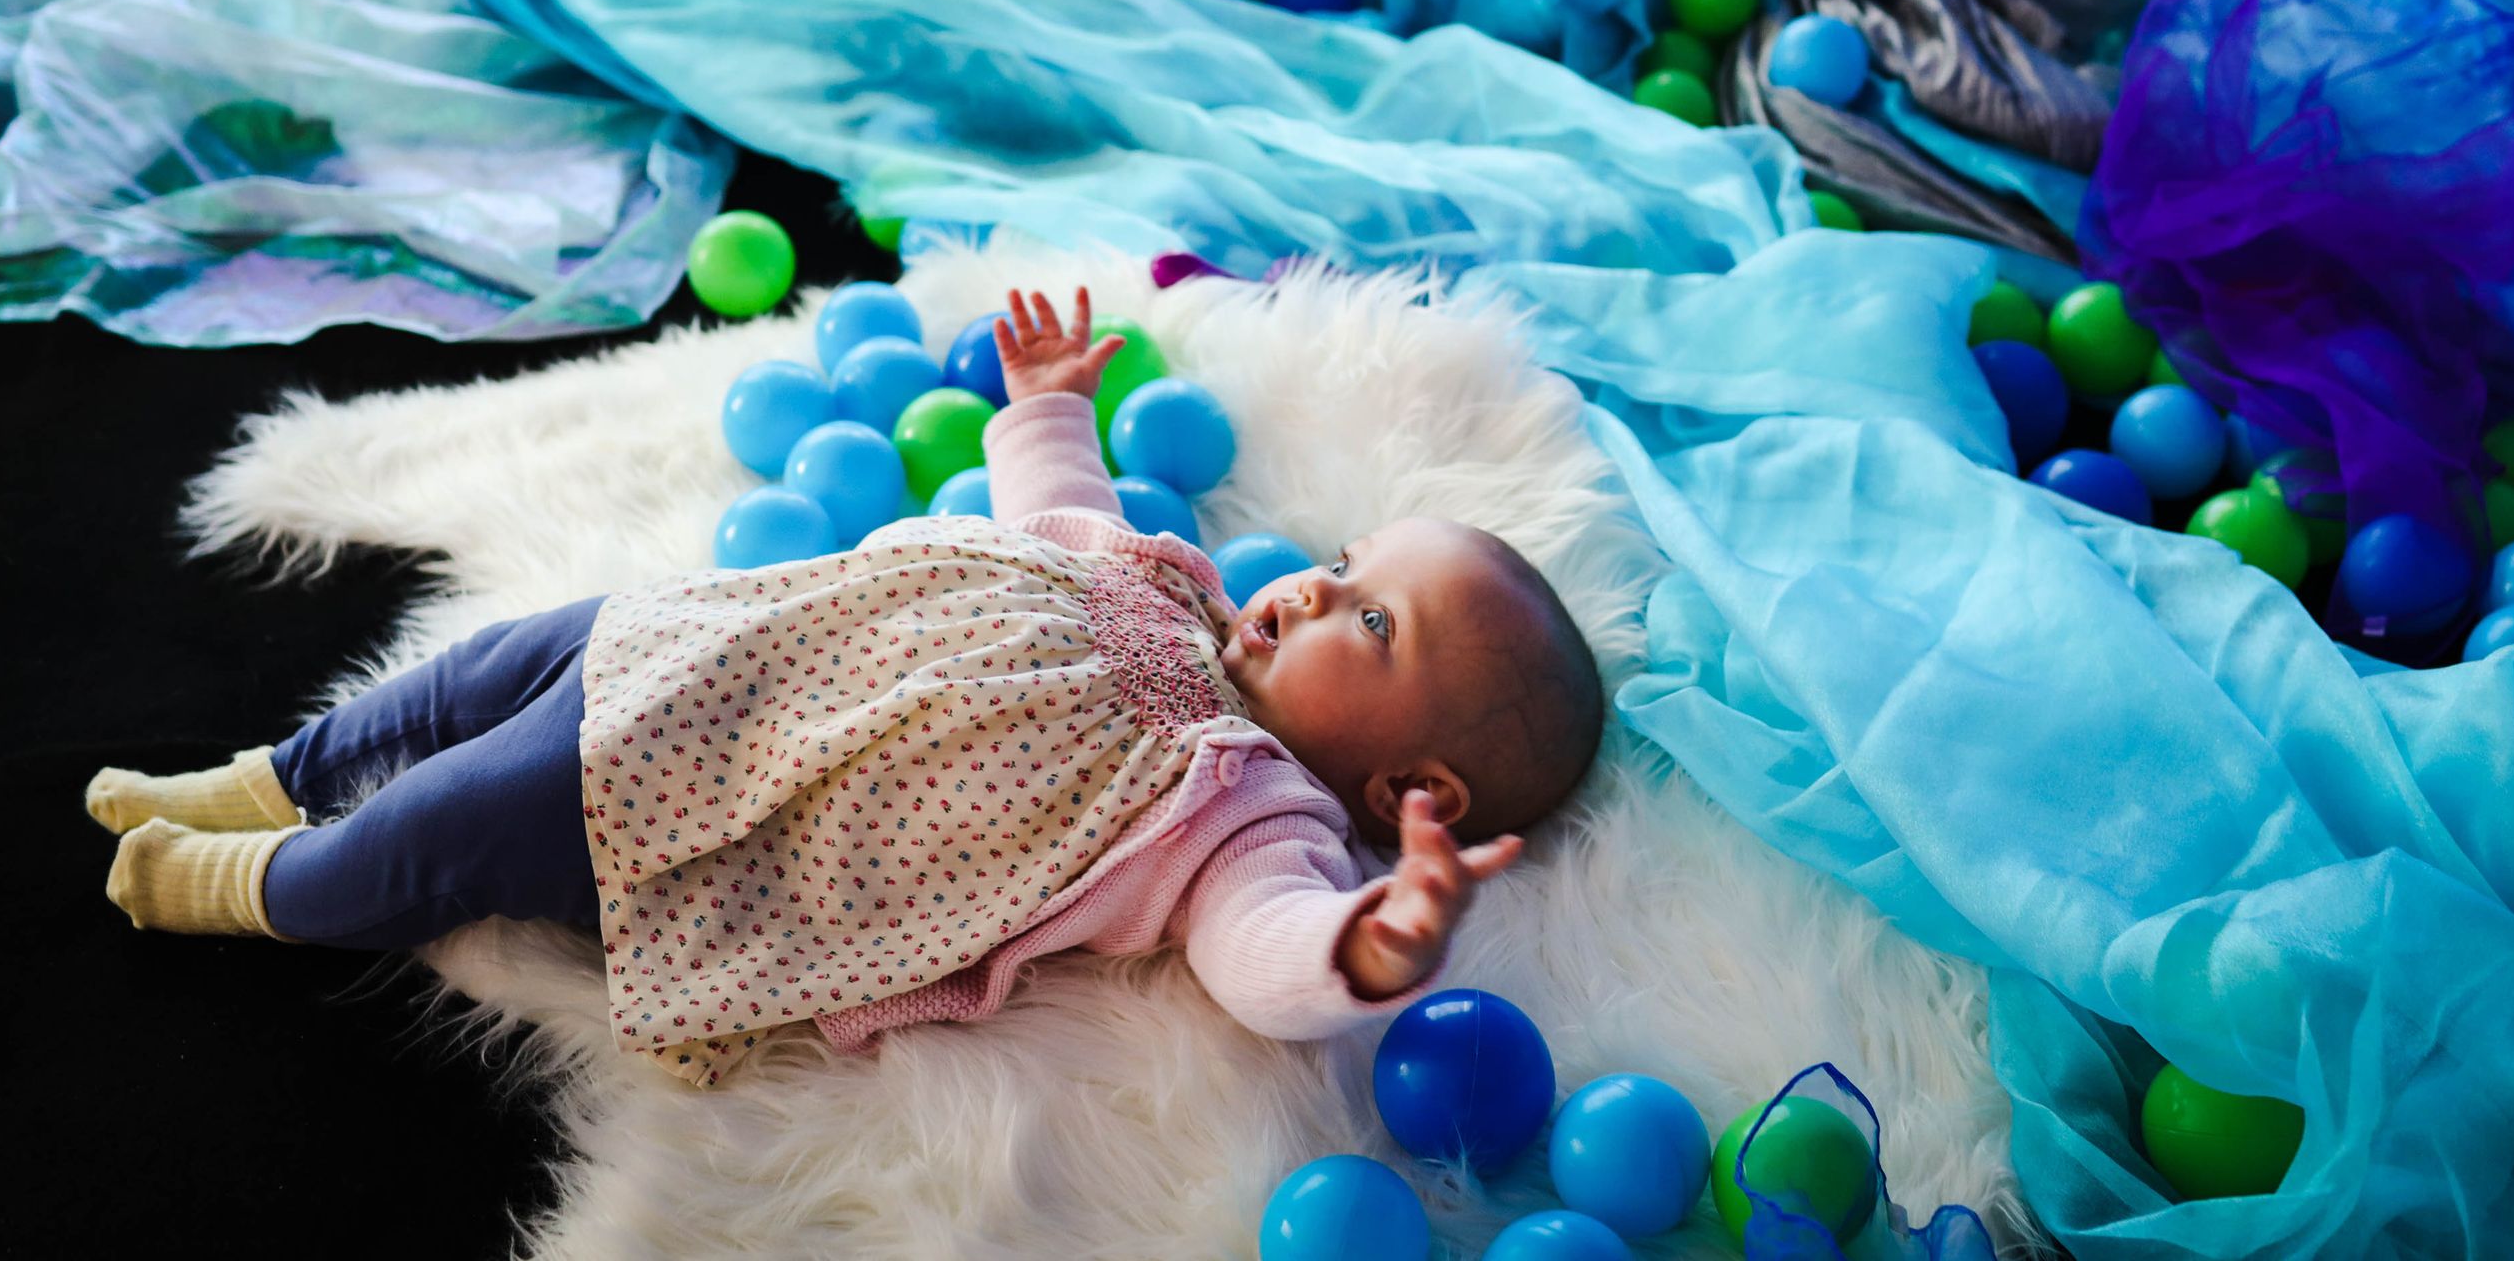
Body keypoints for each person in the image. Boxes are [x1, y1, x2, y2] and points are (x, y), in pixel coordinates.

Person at [90, 286, 1605, 1087]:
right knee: (463, 674)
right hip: (700, 636)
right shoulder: (1170, 584)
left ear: (1416, 795)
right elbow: (1055, 508)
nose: (1313, 585)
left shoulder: (1245, 817)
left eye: (1373, 624)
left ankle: (255, 880)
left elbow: (1272, 963)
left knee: (450, 831)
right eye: (1344, 560)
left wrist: (1376, 935)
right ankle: (272, 773)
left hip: (706, 795)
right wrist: (1046, 410)